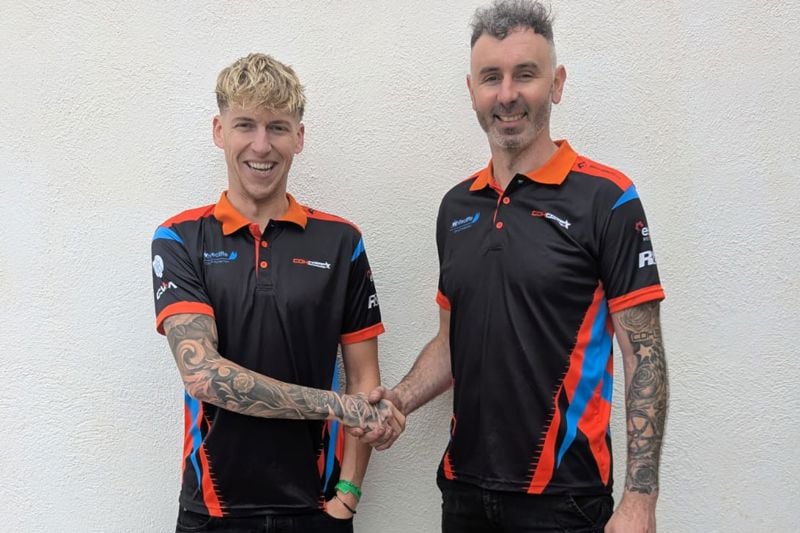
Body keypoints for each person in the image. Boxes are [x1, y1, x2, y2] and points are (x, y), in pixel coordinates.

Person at [353, 1, 668, 532]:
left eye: (525, 74)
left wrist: (640, 499)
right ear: (472, 90)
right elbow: (452, 341)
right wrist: (399, 400)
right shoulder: (457, 207)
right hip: (464, 492)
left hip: (564, 499)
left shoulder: (607, 198)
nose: (506, 95)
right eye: (491, 77)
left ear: (556, 83)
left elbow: (645, 354)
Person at [151, 53, 403, 532]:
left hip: (315, 511)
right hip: (211, 511)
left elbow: (364, 380)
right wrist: (338, 406)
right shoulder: (179, 238)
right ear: (219, 131)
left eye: (278, 128)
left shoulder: (341, 242)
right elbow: (202, 375)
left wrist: (347, 497)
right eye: (245, 125)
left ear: (299, 138)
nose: (261, 145)